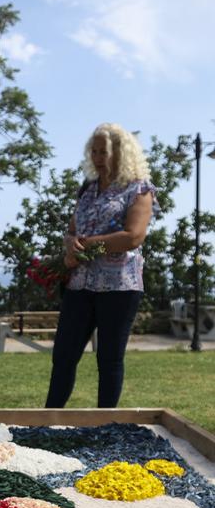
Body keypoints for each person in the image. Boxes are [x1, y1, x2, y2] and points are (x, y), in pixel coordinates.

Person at [46, 123, 156, 409]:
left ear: (120, 152)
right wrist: (70, 244)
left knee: (108, 359)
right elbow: (72, 230)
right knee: (64, 354)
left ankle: (103, 426)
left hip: (119, 286)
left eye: (103, 151)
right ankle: (46, 419)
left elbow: (133, 237)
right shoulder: (87, 189)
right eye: (93, 151)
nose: (96, 157)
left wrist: (89, 245)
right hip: (79, 284)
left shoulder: (138, 189)